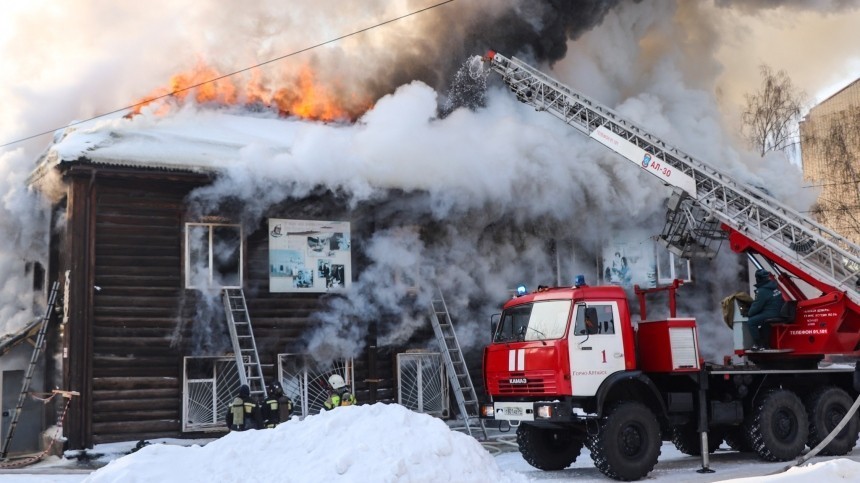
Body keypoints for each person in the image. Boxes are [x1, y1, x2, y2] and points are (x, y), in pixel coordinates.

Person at [746, 269, 785, 350]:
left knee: (751, 322)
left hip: (771, 313)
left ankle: (758, 344)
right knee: (765, 323)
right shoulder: (774, 287)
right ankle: (765, 345)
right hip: (778, 312)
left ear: (758, 279)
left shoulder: (762, 291)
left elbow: (756, 306)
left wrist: (748, 313)